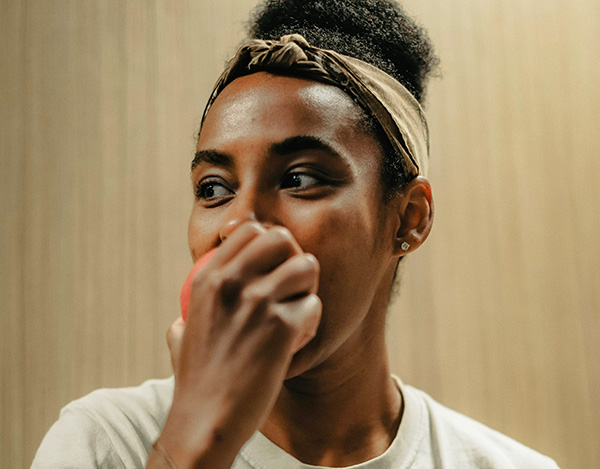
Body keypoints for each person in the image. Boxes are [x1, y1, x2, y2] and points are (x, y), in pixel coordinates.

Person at [33, 1, 560, 468]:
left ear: (408, 218)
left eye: (300, 179)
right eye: (214, 188)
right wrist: (189, 448)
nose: (239, 224)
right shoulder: (107, 443)